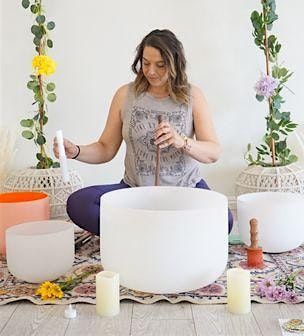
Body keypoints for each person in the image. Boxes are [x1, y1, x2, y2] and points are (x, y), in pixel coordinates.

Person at [53, 29, 233, 234]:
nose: (151, 71)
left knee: (223, 220)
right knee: (80, 203)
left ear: (175, 64)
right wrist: (75, 151)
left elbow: (213, 152)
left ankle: (141, 232)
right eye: (146, 63)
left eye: (160, 65)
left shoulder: (193, 96)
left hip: (185, 192)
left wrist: (181, 141)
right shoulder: (125, 95)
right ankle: (159, 233)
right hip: (134, 193)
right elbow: (105, 148)